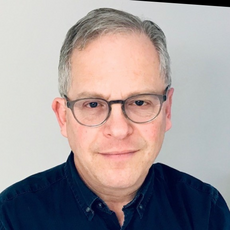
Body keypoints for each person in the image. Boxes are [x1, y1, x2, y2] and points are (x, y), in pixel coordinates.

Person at [0, 7, 229, 230]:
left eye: (139, 102)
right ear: (63, 117)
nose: (119, 130)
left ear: (166, 110)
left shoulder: (206, 211)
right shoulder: (10, 218)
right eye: (93, 104)